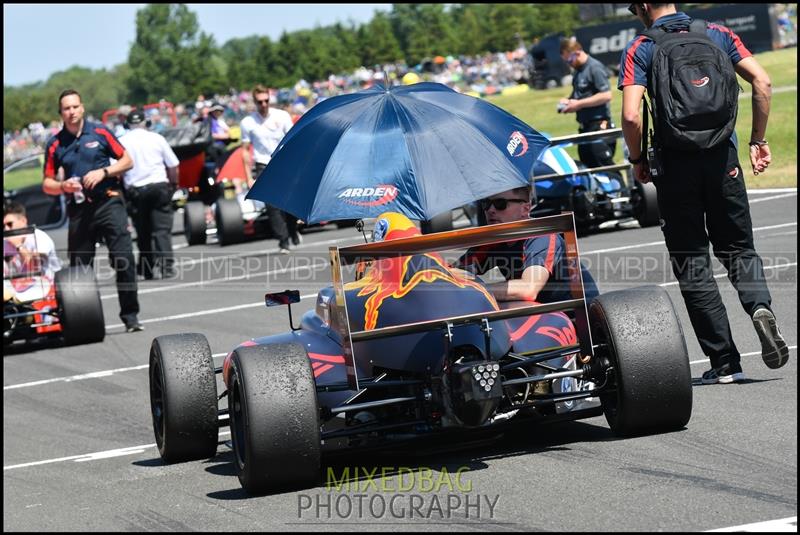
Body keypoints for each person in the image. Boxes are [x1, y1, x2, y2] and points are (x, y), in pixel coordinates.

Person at [619, 3, 789, 384]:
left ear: (645, 6)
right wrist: (758, 139)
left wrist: (636, 158)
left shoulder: (640, 47)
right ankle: (759, 306)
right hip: (722, 155)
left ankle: (725, 362)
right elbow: (761, 82)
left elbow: (631, 115)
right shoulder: (717, 32)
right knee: (738, 246)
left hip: (675, 164)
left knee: (692, 259)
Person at [41, 89, 143, 333]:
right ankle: (82, 320)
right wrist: (63, 185)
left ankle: (131, 317)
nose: (72, 111)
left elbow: (127, 161)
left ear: (82, 107)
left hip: (109, 201)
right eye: (66, 108)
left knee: (124, 259)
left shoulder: (100, 132)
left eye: (75, 106)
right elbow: (47, 183)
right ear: (61, 113)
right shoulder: (54, 144)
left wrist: (104, 172)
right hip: (79, 209)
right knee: (78, 269)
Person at [453, 186, 599, 304]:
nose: (491, 210)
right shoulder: (493, 238)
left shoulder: (541, 236)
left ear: (525, 208)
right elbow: (452, 274)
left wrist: (475, 290)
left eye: (500, 204)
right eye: (486, 203)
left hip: (576, 315)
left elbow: (528, 289)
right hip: (536, 311)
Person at [119, 110, 180, 280]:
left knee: (143, 231)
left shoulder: (122, 142)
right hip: (159, 186)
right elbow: (174, 164)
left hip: (135, 191)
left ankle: (146, 269)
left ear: (127, 125)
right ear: (146, 123)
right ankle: (167, 267)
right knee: (162, 230)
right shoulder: (156, 138)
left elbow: (117, 170)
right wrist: (173, 185)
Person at [240, 85, 300, 254]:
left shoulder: (281, 116)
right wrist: (247, 177)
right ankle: (283, 240)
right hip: (262, 164)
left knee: (288, 201)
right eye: (260, 102)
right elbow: (244, 150)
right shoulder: (248, 122)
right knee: (272, 205)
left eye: (266, 100)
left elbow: (292, 140)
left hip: (283, 161)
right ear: (255, 102)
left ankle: (293, 229)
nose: (264, 104)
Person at [558, 38, 616, 169]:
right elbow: (578, 95)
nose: (569, 64)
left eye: (569, 60)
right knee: (588, 167)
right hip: (585, 129)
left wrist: (578, 104)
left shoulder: (594, 67)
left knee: (604, 166)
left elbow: (606, 95)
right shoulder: (578, 72)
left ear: (577, 52)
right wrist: (568, 101)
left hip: (599, 127)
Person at [4, 201, 62, 303]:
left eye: (9, 224)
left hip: (45, 285)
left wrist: (18, 246)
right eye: (3, 226)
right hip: (18, 286)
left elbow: (35, 265)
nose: (6, 229)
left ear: (23, 221)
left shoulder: (40, 237)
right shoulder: (6, 242)